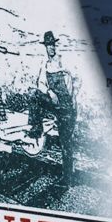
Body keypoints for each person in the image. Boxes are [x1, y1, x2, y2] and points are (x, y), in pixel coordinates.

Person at [30, 29, 76, 157]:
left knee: (65, 141)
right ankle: (36, 129)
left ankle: (68, 176)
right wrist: (50, 92)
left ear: (55, 46)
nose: (51, 47)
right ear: (45, 47)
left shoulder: (63, 62)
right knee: (34, 95)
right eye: (48, 45)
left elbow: (75, 80)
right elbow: (40, 83)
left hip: (65, 104)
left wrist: (72, 98)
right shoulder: (45, 64)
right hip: (53, 102)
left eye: (52, 44)